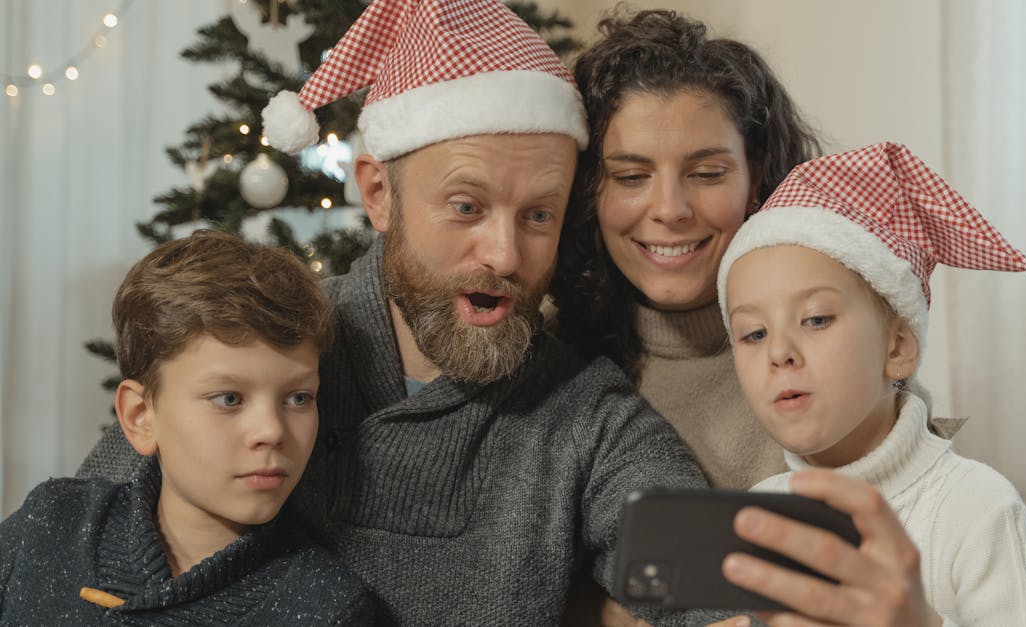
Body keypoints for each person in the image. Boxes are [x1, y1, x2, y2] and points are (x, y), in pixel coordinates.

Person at [75, 1, 718, 624]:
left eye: (538, 215)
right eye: (466, 207)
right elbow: (72, 549)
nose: (504, 253)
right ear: (379, 194)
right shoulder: (253, 348)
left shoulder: (589, 420)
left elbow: (719, 593)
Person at [714, 142, 1026, 625]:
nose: (778, 352)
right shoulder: (760, 514)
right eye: (753, 333)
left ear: (898, 348)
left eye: (814, 319)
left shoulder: (980, 511)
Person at [0, 230, 373, 624]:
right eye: (229, 398)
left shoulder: (326, 607)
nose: (272, 431)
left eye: (298, 398)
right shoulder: (52, 521)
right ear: (141, 416)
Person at [552, 8, 824, 491]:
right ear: (589, 189)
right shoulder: (544, 366)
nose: (670, 209)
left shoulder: (832, 352)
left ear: (756, 176)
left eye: (706, 174)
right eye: (632, 177)